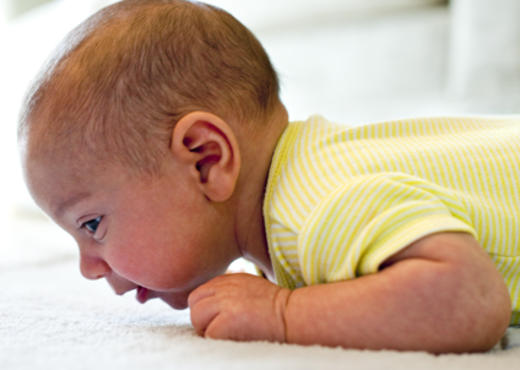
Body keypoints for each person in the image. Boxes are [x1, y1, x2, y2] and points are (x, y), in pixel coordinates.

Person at [18, 0, 518, 353]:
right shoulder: (302, 189)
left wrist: (284, 315)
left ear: (205, 160)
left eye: (91, 225)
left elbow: (469, 297)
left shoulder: (317, 207)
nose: (88, 268)